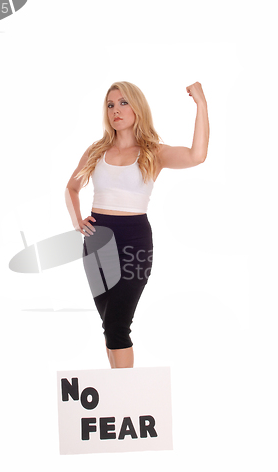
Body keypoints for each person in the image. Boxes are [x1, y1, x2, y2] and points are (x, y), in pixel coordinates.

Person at [65, 81, 209, 369]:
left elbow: (197, 155)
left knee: (118, 324)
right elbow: (71, 188)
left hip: (134, 242)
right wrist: (77, 220)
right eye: (110, 105)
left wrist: (201, 104)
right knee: (110, 326)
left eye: (123, 103)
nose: (116, 110)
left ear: (137, 107)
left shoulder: (153, 152)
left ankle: (125, 398)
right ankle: (120, 394)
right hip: (96, 241)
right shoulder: (96, 151)